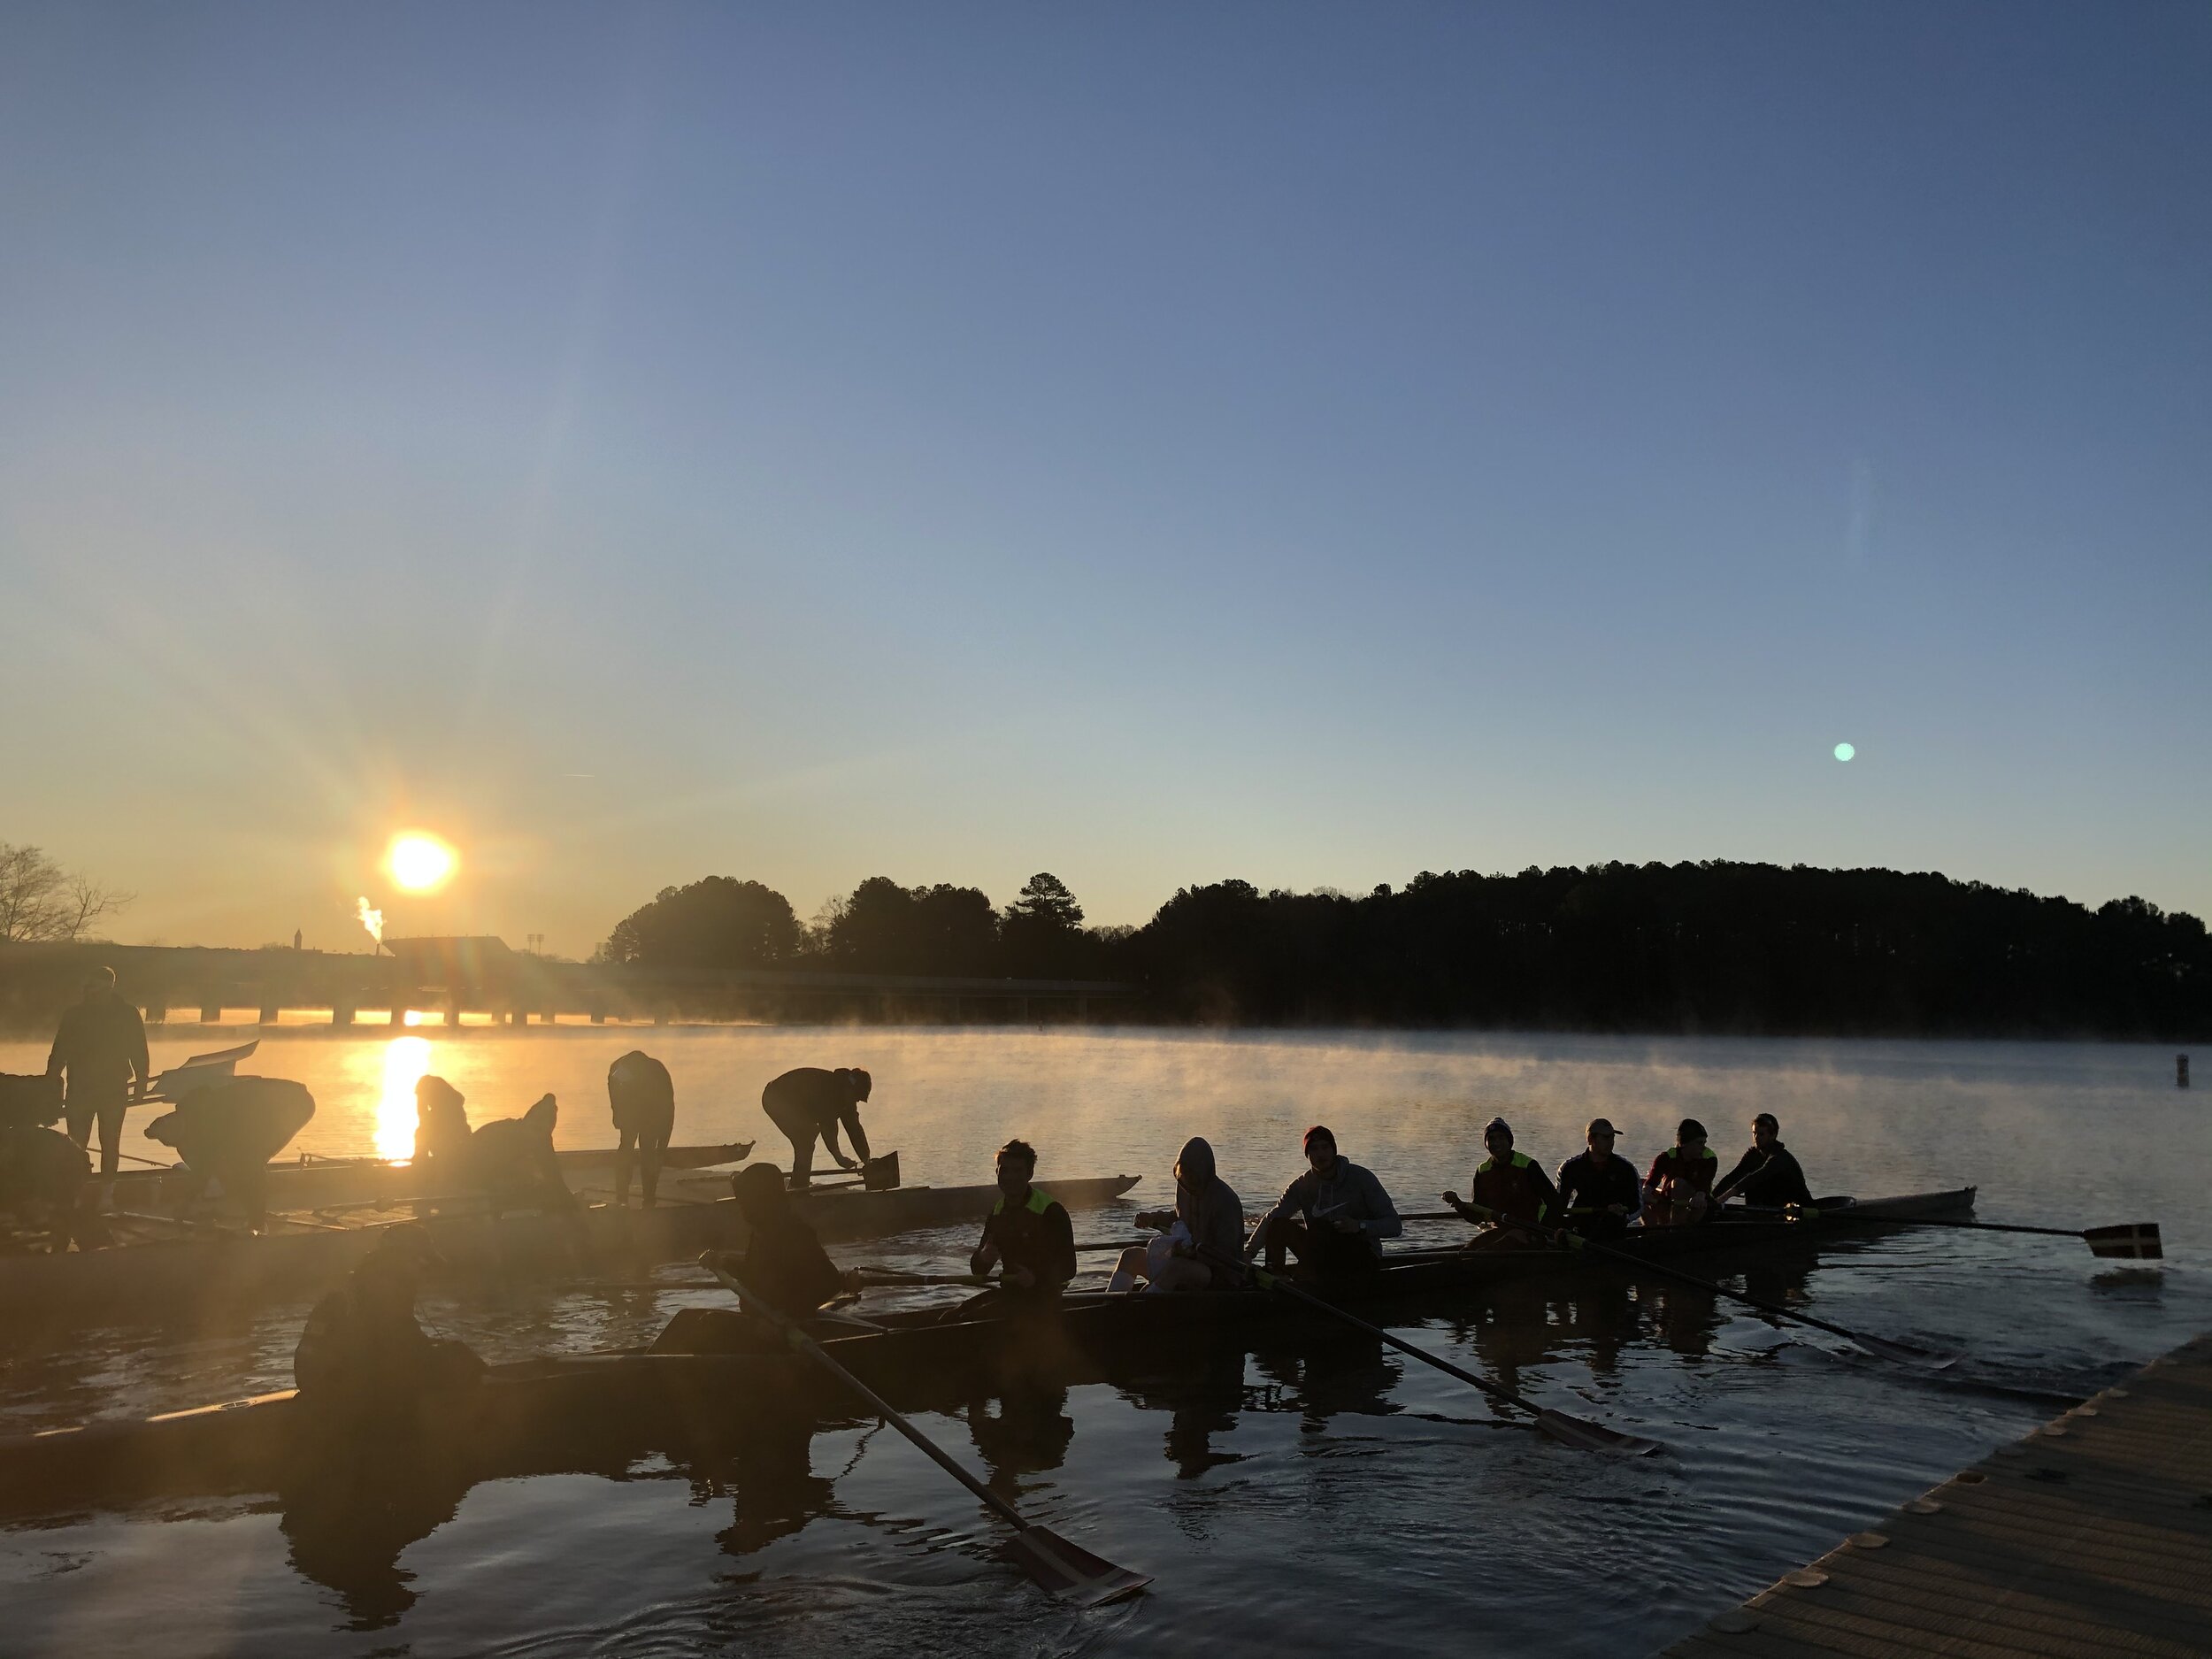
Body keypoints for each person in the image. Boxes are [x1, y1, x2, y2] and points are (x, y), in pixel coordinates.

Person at [294, 1225, 484, 1418]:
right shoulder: (385, 1293)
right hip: (351, 1412)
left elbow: (401, 1344)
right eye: (422, 1262)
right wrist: (459, 1361)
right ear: (400, 1258)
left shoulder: (355, 1286)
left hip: (320, 1396)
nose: (423, 1272)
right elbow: (408, 1357)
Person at [143, 1076, 316, 1231]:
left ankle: (258, 1221)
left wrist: (186, 1204)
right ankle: (252, 1211)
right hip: (259, 1112)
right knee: (235, 1161)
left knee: (249, 1159)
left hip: (293, 1102)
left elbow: (204, 1172)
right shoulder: (194, 1125)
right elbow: (204, 1170)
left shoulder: (210, 1120)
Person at [1247, 1125, 1402, 1277]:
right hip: (1321, 1256)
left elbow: (1394, 1226)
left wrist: (1359, 1226)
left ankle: (1304, 1282)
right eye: (1314, 1149)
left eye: (1325, 1147)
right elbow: (1272, 1217)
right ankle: (1276, 1280)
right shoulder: (1300, 1186)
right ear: (1307, 1155)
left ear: (1334, 1150)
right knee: (1279, 1225)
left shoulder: (1361, 1178)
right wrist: (1248, 1253)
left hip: (1362, 1255)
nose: (1321, 1154)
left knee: (1321, 1228)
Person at [46, 967, 149, 1180]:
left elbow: (139, 1050)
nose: (86, 992)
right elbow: (59, 1053)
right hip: (80, 1088)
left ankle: (106, 1194)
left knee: (110, 1142)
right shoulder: (74, 1015)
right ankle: (77, 1189)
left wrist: (141, 1084)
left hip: (113, 1088)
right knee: (75, 1144)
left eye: (90, 987)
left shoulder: (128, 1014)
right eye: (85, 987)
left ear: (106, 988)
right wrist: (50, 1088)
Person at [715, 1162, 855, 1318]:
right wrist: (723, 1263)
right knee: (690, 1317)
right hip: (759, 1321)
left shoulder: (795, 1233)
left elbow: (829, 1283)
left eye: (744, 1202)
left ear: (761, 1202)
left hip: (782, 1328)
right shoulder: (761, 1231)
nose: (741, 1208)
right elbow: (755, 1275)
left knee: (705, 1323)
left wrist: (786, 1317)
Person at [1109, 1136, 1243, 1293]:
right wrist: (1153, 1218)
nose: (1186, 1184)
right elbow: (1179, 1218)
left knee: (1176, 1268)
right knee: (1130, 1256)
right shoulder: (1184, 1188)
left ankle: (1142, 1306)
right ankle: (1109, 1305)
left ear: (1205, 1173)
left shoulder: (1226, 1201)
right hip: (1185, 1259)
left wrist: (1192, 1252)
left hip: (1219, 1275)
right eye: (1182, 1176)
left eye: (1192, 1177)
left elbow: (1227, 1255)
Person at [970, 1139, 1076, 1302]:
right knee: (951, 1316)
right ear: (997, 1172)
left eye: (1017, 1171)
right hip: (1010, 1294)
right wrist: (984, 1257)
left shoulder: (1051, 1211)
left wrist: (1036, 1278)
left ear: (1029, 1174)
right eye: (1004, 1171)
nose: (1010, 1177)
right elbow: (978, 1270)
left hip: (1044, 1298)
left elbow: (1069, 1268)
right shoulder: (997, 1213)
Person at [1443, 1117, 1561, 1248]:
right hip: (1500, 1231)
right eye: (1491, 1139)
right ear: (1486, 1144)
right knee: (1469, 1249)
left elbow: (1555, 1203)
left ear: (1510, 1141)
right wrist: (1459, 1205)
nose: (1496, 1143)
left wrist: (1546, 1230)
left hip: (1531, 1230)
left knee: (1497, 1247)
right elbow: (1478, 1217)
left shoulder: (1528, 1166)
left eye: (1501, 1138)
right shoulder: (1483, 1171)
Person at [759, 1067, 872, 1189]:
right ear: (849, 1088)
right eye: (856, 1096)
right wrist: (838, 1156)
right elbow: (829, 1128)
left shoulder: (847, 1098)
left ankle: (799, 1183)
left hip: (796, 1102)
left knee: (808, 1137)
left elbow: (855, 1130)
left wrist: (867, 1159)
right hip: (775, 1097)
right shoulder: (829, 1091)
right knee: (806, 1141)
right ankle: (798, 1188)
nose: (856, 1101)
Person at [606, 1050, 676, 1208]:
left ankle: (647, 1196)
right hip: (630, 1113)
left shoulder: (657, 1073)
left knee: (646, 1151)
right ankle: (623, 1196)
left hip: (649, 1115)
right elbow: (614, 1091)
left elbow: (669, 1106)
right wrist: (617, 1113)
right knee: (629, 1149)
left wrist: (663, 1144)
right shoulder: (618, 1070)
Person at [1554, 1117, 1642, 1239]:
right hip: (1581, 1228)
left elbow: (1638, 1206)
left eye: (1613, 1137)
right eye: (1606, 1138)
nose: (1611, 1142)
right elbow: (1559, 1206)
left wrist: (1624, 1215)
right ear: (1590, 1139)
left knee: (1611, 1221)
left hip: (1613, 1228)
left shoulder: (1625, 1168)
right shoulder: (1570, 1168)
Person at [1715, 1112, 1814, 1210]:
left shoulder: (1780, 1157)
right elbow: (1732, 1177)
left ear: (1773, 1135)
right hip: (1769, 1209)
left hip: (1797, 1210)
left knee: (1753, 1183)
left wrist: (1726, 1196)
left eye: (1761, 1134)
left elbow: (1757, 1176)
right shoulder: (1752, 1155)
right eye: (1754, 1133)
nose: (1756, 1138)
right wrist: (1711, 1199)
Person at [1642, 1118, 1720, 1225]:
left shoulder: (1709, 1159)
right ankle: (1651, 1230)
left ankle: (1674, 1230)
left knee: (1678, 1184)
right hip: (1670, 1202)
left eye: (1704, 1142)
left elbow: (1704, 1183)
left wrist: (1699, 1196)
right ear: (1685, 1144)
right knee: (1639, 1187)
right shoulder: (1667, 1157)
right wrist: (1645, 1192)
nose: (1703, 1147)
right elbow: (1652, 1180)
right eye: (1699, 1143)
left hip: (1698, 1204)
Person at [411, 1075, 473, 1171]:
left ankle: (420, 1165)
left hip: (452, 1144)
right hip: (459, 1142)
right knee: (422, 1130)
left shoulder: (443, 1109)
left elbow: (422, 1113)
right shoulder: (452, 1101)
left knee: (420, 1132)